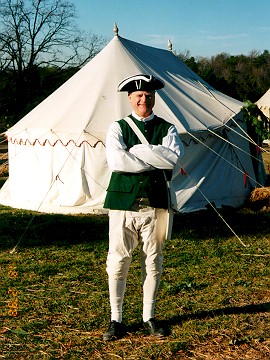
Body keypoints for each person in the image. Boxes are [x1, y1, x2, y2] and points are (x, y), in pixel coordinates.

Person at [103, 74, 184, 341]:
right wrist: (153, 157)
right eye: (138, 95)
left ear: (154, 97)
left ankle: (148, 316)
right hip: (123, 203)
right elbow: (117, 161)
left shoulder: (167, 128)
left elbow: (172, 159)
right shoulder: (117, 128)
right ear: (130, 98)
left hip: (156, 205)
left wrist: (135, 151)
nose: (143, 99)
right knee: (117, 262)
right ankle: (116, 319)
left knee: (153, 262)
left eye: (148, 95)